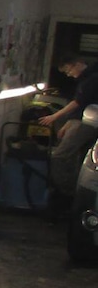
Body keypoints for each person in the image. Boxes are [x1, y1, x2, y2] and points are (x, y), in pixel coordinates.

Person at [40, 56, 98, 208]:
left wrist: (54, 116)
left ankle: (69, 193)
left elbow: (78, 102)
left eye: (69, 70)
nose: (69, 74)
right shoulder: (84, 79)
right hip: (80, 119)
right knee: (69, 156)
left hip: (86, 121)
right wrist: (66, 122)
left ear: (78, 63)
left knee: (60, 156)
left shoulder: (91, 79)